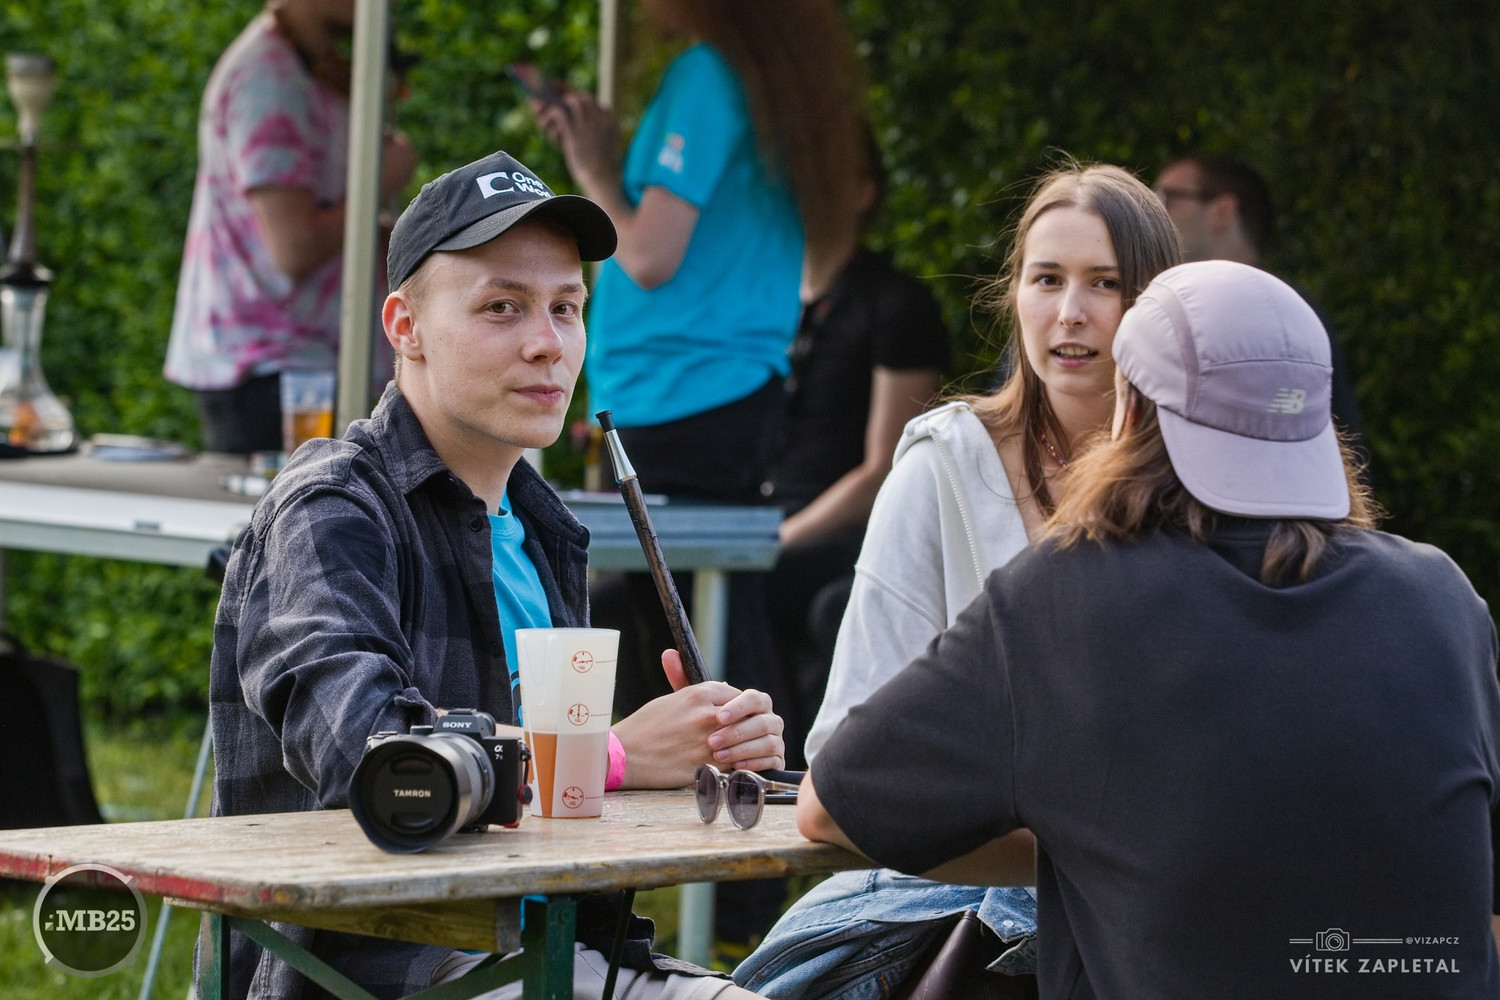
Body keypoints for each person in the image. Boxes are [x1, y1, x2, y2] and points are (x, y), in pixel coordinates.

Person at [798, 260, 1500, 1000]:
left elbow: (833, 805)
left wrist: (1074, 840)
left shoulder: (1061, 599)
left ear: (1128, 412)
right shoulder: (1443, 600)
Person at [207, 149, 784, 1000]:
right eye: (501, 308)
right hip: (382, 974)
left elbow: (549, 813)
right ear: (405, 327)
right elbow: (374, 759)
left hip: (556, 954)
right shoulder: (331, 507)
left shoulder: (543, 529)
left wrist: (711, 750)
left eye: (566, 308)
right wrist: (612, 754)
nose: (548, 344)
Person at [734, 163, 1182, 998]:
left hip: (1167, 896)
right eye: (1046, 279)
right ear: (1013, 296)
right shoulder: (944, 464)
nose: (1070, 311)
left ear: (1157, 305)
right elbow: (844, 755)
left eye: (1106, 283)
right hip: (963, 886)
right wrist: (1065, 856)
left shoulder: (1205, 475)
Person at [756, 130, 950, 769]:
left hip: (847, 537)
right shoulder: (764, 299)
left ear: (863, 192)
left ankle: (785, 775)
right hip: (765, 528)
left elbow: (887, 468)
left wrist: (776, 539)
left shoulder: (897, 304)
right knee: (634, 592)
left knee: (750, 590)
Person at [164, 0, 418, 454]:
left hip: (294, 365)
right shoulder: (270, 81)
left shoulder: (303, 67)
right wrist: (379, 179)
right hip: (273, 370)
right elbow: (293, 247)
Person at [1152, 153, 1370, 468]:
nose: (1153, 212)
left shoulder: (1289, 316)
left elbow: (1343, 449)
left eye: (1165, 198)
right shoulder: (1161, 308)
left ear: (1222, 211)